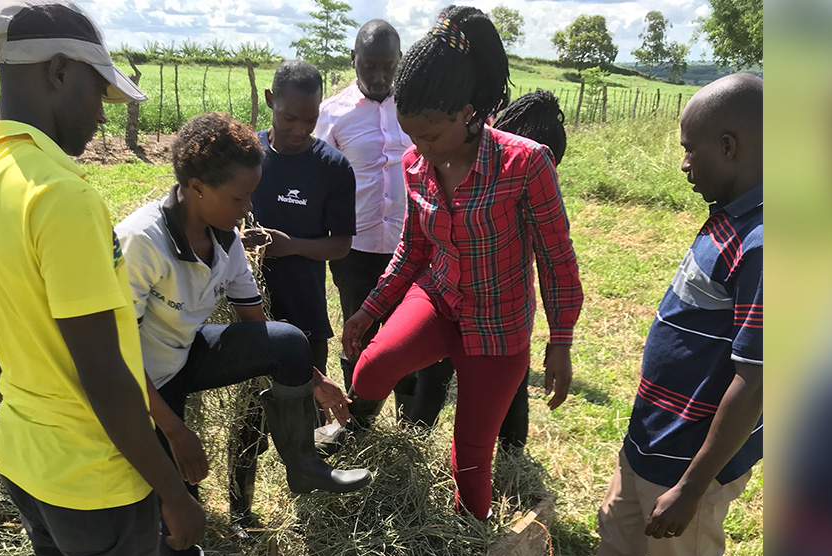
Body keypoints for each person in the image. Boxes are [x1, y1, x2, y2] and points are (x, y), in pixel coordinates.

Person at [0, 2, 205, 556]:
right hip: (94, 483)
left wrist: (21, 400)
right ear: (56, 73)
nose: (104, 113)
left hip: (25, 460)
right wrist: (172, 493)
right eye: (98, 91)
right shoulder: (61, 197)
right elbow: (104, 373)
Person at [115, 113, 371, 556]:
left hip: (184, 355)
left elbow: (258, 324)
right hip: (139, 383)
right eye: (238, 198)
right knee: (181, 510)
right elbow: (113, 363)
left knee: (290, 340)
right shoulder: (142, 244)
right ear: (195, 188)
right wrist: (177, 433)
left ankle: (302, 465)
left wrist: (317, 380)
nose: (248, 210)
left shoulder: (226, 239)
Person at [532, 74, 763, 556]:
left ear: (731, 147)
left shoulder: (764, 242)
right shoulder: (729, 216)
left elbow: (756, 378)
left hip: (691, 458)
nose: (684, 163)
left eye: (692, 149)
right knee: (618, 526)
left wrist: (691, 487)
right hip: (653, 437)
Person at [341, 6, 584, 521]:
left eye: (430, 135)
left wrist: (560, 341)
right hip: (439, 299)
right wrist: (369, 309)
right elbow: (412, 249)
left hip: (499, 326)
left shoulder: (526, 163)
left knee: (472, 458)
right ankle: (353, 441)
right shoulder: (416, 166)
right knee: (368, 374)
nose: (419, 148)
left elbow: (556, 260)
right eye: (411, 135)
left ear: (468, 113)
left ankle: (466, 547)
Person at [406, 89, 570, 454]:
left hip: (505, 306)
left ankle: (510, 455)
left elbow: (554, 256)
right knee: (435, 377)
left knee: (508, 385)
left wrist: (561, 338)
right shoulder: (468, 158)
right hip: (449, 294)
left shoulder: (533, 166)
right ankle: (413, 446)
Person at [313, 19, 419, 424]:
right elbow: (319, 177)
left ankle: (410, 422)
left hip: (409, 246)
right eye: (368, 66)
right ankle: (354, 421)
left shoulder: (413, 108)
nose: (378, 77)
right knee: (357, 333)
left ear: (399, 62)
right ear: (352, 60)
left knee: (406, 335)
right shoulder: (333, 115)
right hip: (353, 249)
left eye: (388, 67)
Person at [244, 59, 356, 374]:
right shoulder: (248, 154)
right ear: (270, 99)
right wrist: (239, 241)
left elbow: (342, 244)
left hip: (305, 306)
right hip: (251, 303)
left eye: (310, 120)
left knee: (304, 405)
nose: (299, 130)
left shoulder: (332, 167)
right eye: (288, 118)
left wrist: (290, 245)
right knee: (254, 407)